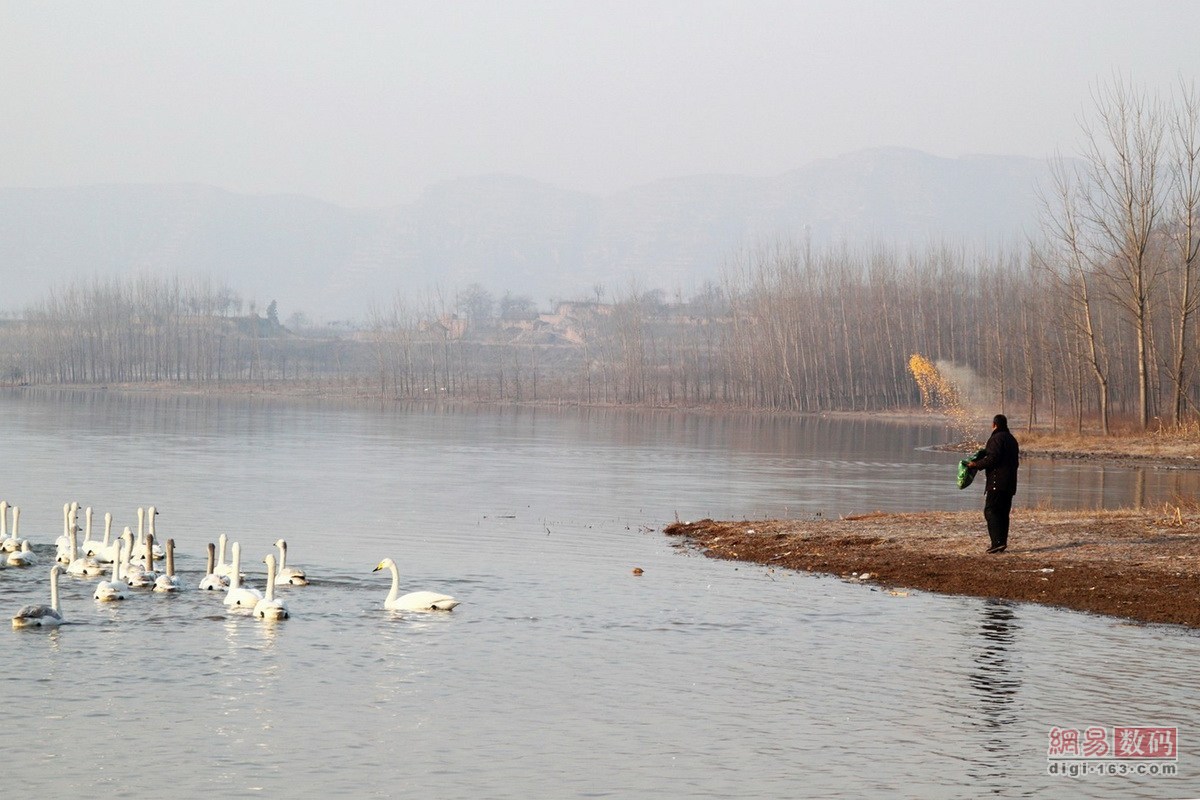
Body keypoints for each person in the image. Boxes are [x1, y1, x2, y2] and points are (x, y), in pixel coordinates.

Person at [966, 414, 1020, 553]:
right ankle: (1001, 542)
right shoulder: (1012, 440)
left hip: (997, 482)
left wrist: (975, 464)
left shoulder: (996, 438)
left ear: (994, 425)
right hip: (1010, 483)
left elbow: (992, 459)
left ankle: (996, 542)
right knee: (1003, 512)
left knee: (991, 511)